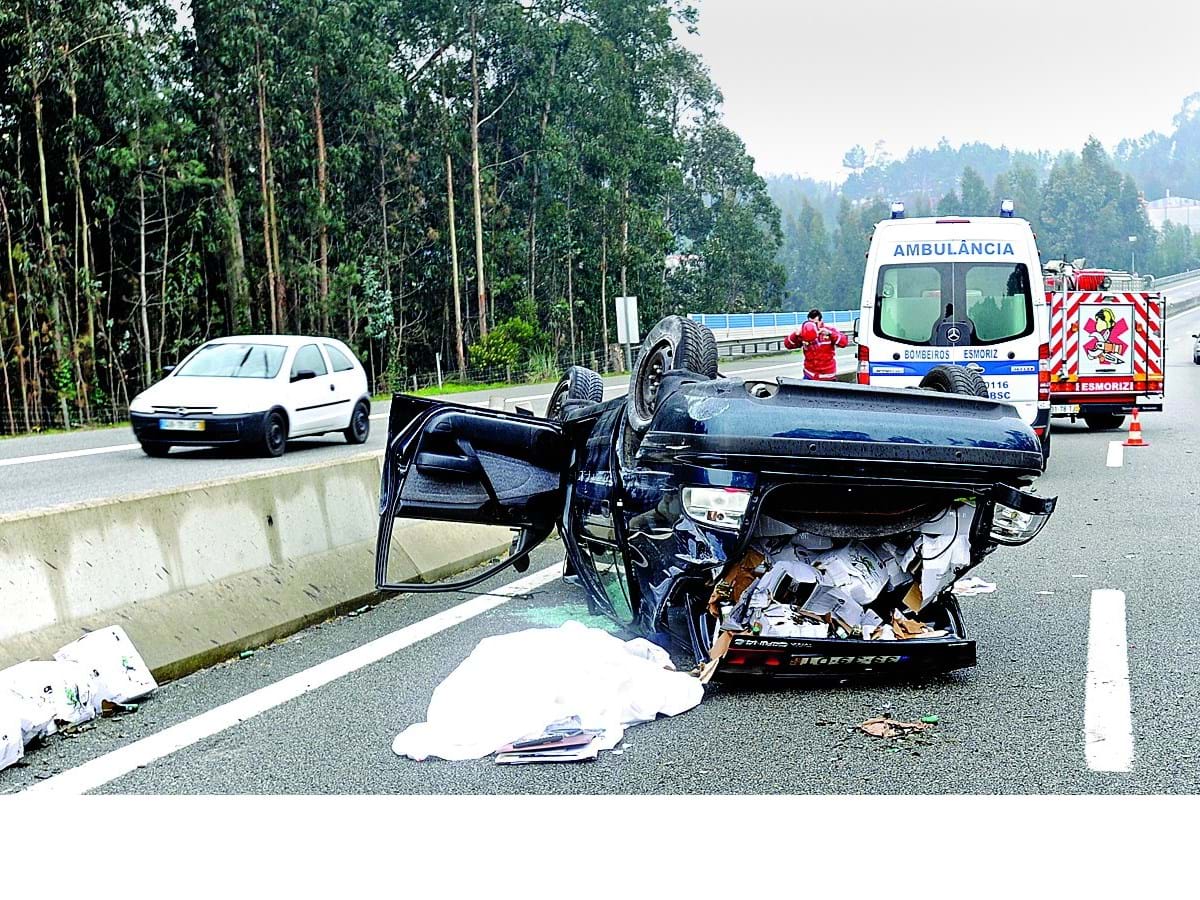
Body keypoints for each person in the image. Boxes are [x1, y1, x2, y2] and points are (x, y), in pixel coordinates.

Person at [783, 309, 849, 380]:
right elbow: (788, 345)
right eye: (810, 323)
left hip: (827, 376)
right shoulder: (805, 332)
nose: (813, 325)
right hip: (810, 375)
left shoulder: (829, 330)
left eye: (815, 323)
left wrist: (830, 334)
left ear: (821, 321)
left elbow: (844, 343)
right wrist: (795, 335)